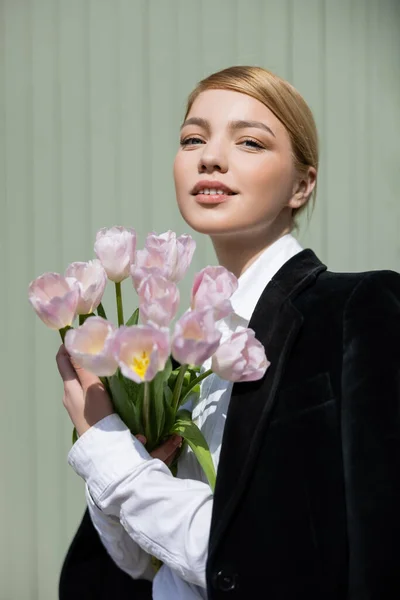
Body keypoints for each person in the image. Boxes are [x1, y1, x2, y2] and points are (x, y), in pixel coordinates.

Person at [57, 66, 400, 599]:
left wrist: (111, 457)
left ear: (303, 183)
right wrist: (107, 451)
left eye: (249, 142)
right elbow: (139, 569)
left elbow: (286, 557)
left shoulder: (359, 307)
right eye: (192, 138)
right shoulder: (172, 361)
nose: (209, 157)